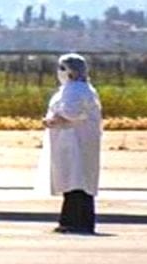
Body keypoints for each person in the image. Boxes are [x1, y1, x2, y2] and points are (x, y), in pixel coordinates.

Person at [44, 53, 102, 234]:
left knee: (74, 181)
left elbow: (71, 112)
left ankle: (73, 222)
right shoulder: (83, 88)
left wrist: (53, 121)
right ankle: (81, 221)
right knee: (80, 182)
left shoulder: (74, 89)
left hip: (73, 142)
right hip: (77, 141)